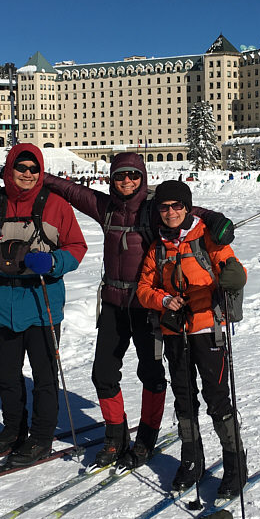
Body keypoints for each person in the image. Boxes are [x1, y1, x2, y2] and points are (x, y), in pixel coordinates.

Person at [42, 153, 235, 471]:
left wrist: (216, 221)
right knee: (102, 374)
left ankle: (146, 439)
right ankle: (115, 436)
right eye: (120, 175)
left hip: (150, 308)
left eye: (133, 174)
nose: (127, 180)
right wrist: (42, 178)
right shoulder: (106, 208)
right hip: (115, 306)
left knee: (152, 374)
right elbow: (74, 191)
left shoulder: (153, 207)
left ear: (142, 176)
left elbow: (188, 209)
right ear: (112, 178)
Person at [0, 144, 87, 467]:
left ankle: (41, 436)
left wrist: (53, 261)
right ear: (10, 169)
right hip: (2, 303)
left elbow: (76, 247)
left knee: (44, 376)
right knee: (5, 374)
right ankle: (13, 430)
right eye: (22, 168)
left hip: (42, 303)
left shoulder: (56, 206)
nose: (28, 174)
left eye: (34, 169)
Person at [136, 180, 249, 498]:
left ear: (187, 207)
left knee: (216, 398)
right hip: (174, 333)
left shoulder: (206, 238)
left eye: (177, 206)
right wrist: (162, 300)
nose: (170, 212)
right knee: (184, 400)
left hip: (207, 330)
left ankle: (234, 463)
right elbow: (144, 287)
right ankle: (192, 459)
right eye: (164, 207)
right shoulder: (157, 246)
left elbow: (234, 268)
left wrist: (232, 277)